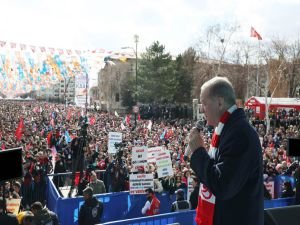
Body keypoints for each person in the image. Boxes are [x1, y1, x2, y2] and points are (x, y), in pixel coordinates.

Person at [187, 77, 263, 225]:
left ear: (220, 102)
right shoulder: (227, 130)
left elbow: (223, 185)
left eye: (204, 103)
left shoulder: (240, 134)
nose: (201, 109)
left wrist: (198, 152)